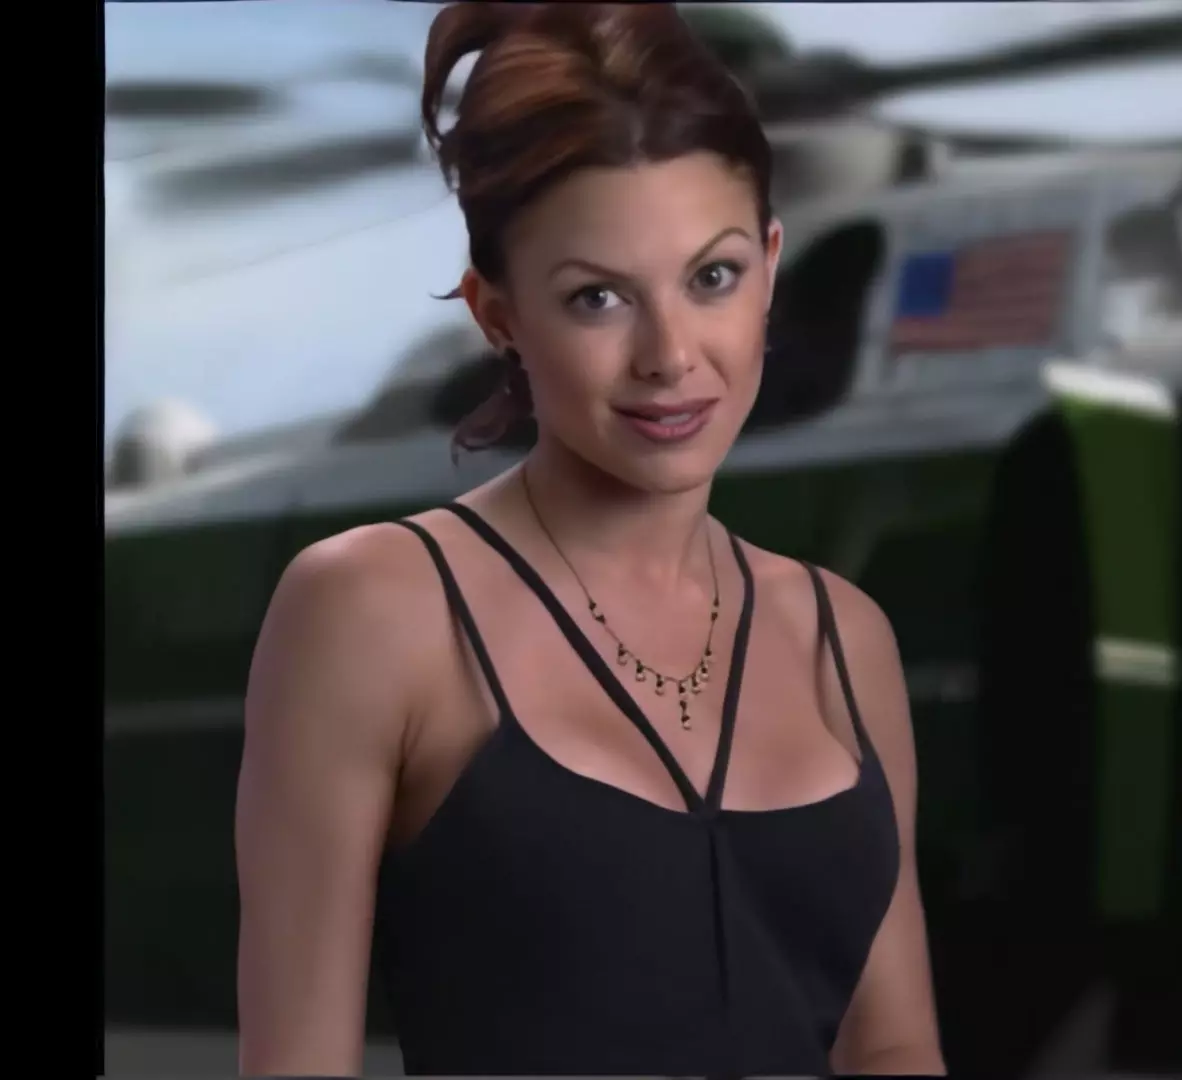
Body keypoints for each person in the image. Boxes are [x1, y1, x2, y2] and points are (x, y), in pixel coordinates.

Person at [232, 3, 946, 1076]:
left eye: (712, 278)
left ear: (770, 265)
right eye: (598, 297)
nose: (671, 356)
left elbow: (892, 1048)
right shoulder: (373, 609)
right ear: (498, 314)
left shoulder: (846, 639)